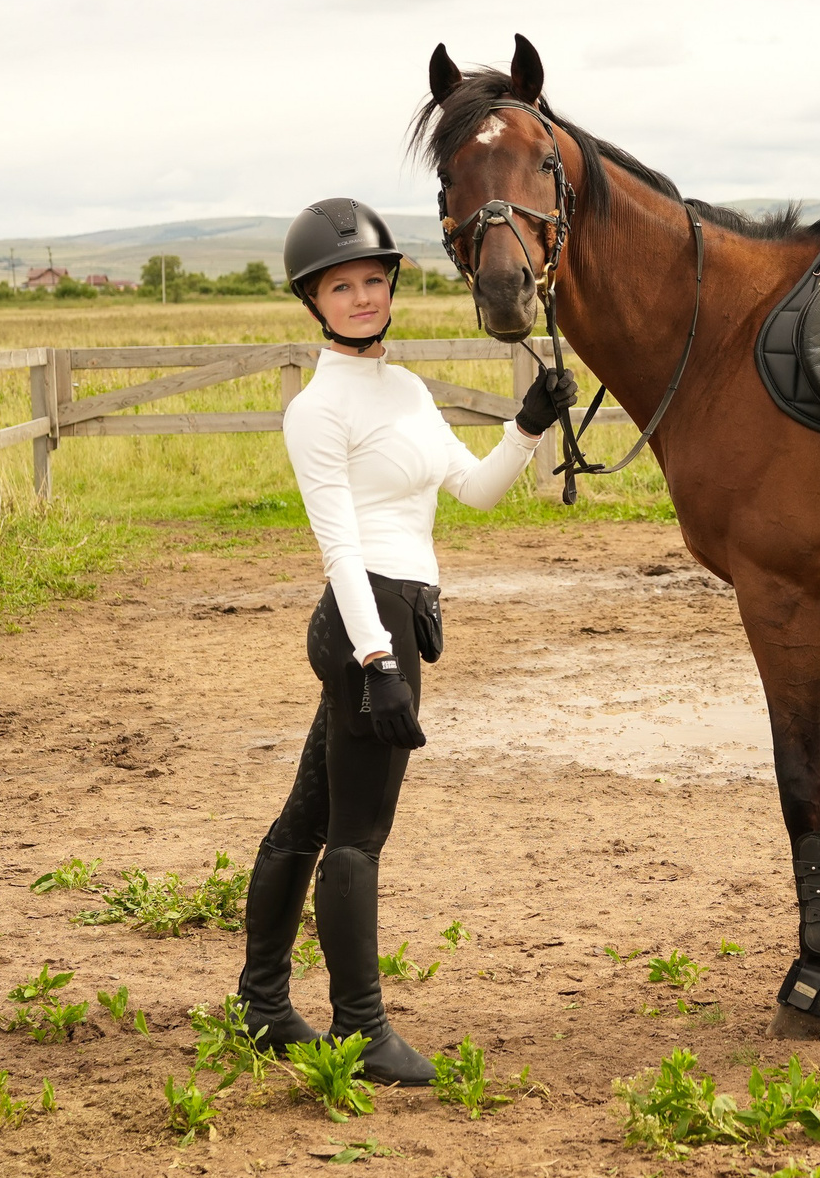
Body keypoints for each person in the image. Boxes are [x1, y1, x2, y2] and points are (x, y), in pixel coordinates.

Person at [235, 197, 577, 1084]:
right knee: (358, 834)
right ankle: (363, 1028)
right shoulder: (318, 409)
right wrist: (377, 659)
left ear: (392, 284)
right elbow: (339, 547)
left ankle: (264, 1005)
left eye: (371, 280)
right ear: (313, 299)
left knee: (309, 817)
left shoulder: (407, 388)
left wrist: (529, 425)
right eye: (339, 285)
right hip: (369, 621)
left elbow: (472, 490)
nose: (360, 296)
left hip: (398, 614)